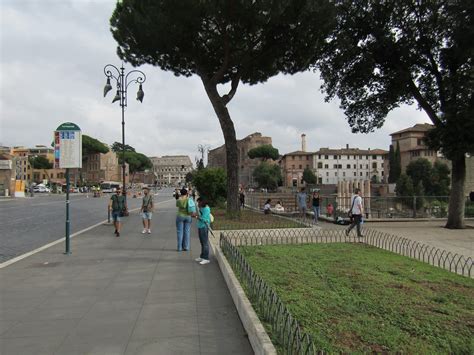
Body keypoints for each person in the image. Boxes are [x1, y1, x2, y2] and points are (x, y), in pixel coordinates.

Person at [195, 197, 211, 265]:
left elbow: (204, 219)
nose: (198, 203)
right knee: (202, 242)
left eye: (199, 202)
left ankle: (206, 258)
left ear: (202, 202)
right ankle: (202, 256)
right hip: (200, 226)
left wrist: (197, 217)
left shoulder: (206, 209)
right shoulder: (201, 208)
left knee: (205, 243)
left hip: (204, 227)